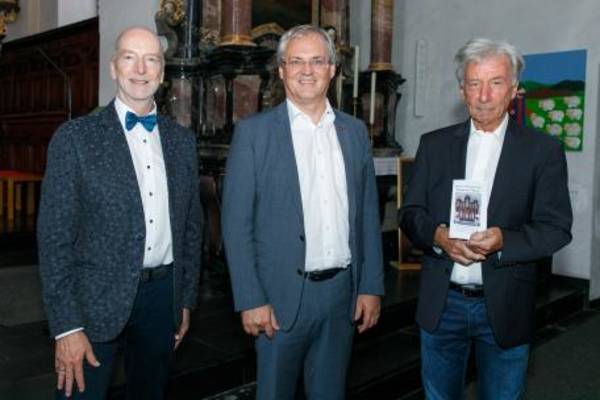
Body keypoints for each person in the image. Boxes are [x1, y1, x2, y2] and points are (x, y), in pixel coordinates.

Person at [398, 38, 572, 399]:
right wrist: (438, 236)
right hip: (442, 303)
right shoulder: (434, 145)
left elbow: (555, 228)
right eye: (474, 83)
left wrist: (504, 240)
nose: (484, 95)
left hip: (506, 304)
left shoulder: (543, 150)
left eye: (495, 82)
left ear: (514, 89)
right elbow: (410, 214)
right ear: (462, 90)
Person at [37, 26, 202, 400]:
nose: (140, 69)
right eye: (130, 57)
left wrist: (184, 299)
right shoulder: (76, 138)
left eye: (151, 60)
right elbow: (54, 239)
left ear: (162, 72)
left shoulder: (181, 141)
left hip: (162, 298)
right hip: (92, 302)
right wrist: (66, 326)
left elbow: (191, 227)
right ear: (114, 68)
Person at [221, 24, 384, 400]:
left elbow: (366, 215)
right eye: (296, 61)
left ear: (332, 69)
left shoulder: (355, 132)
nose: (307, 70)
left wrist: (371, 286)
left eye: (317, 61)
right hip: (279, 299)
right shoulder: (254, 134)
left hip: (341, 296)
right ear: (282, 70)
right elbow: (236, 224)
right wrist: (250, 297)